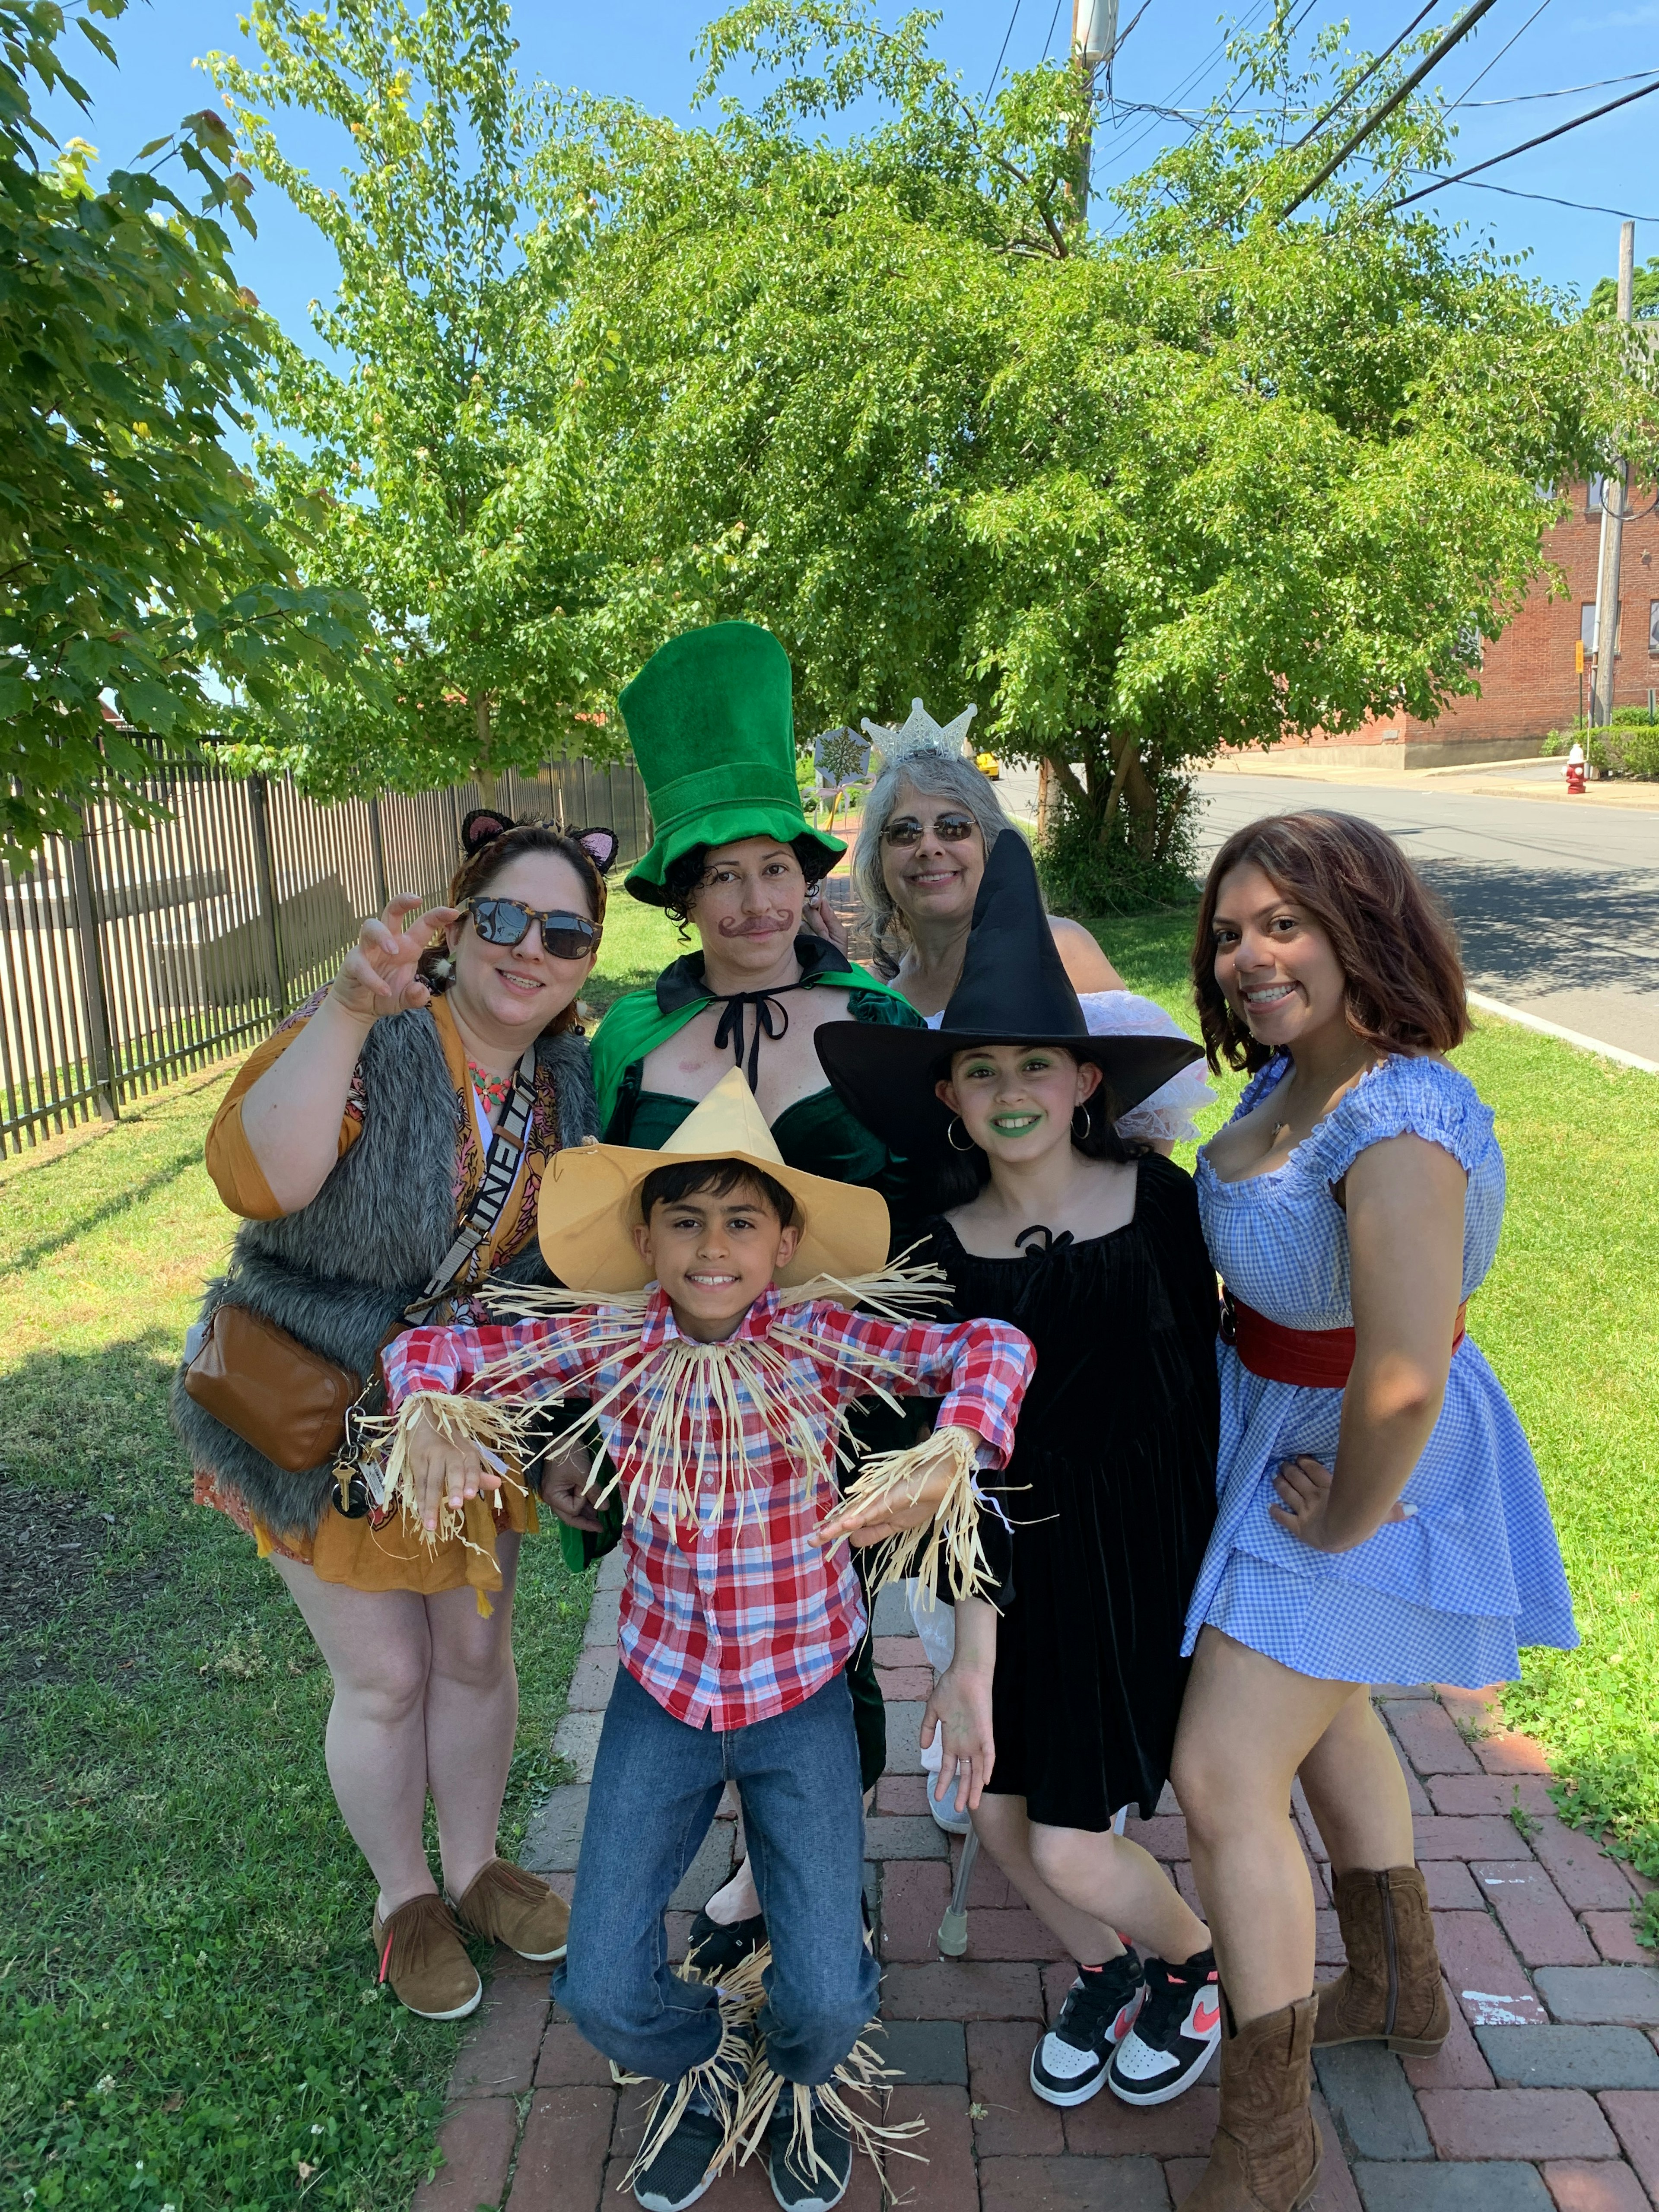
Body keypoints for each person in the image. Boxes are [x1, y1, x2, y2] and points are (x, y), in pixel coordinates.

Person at [376, 1069, 1036, 2212]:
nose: (713, 1245)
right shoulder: (612, 1343)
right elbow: (434, 1349)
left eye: (741, 1220)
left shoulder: (823, 1340)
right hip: (664, 1694)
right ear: (646, 1240)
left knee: (830, 1999)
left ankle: (803, 2082)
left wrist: (957, 1448)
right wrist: (431, 1415)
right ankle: (703, 2057)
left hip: (802, 1696)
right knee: (601, 1991)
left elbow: (993, 1345)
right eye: (685, 1221)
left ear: (785, 1241)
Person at [1168, 812, 1577, 2212]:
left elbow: (1401, 1377)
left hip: (1356, 1466)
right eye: (1231, 932)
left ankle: (1269, 2139)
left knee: (1223, 1775)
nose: (1248, 955)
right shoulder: (1298, 1076)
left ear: (1364, 927)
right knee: (1326, 1710)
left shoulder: (1399, 1117)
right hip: (1275, 1434)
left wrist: (1346, 1521)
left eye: (1284, 924)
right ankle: (1400, 1984)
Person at [172, 811, 613, 2022]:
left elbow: (561, 1278)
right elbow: (263, 1181)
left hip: (468, 1424)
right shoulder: (378, 1033)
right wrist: (351, 1006)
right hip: (321, 1417)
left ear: (586, 959)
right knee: (385, 1680)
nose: (530, 950)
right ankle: (403, 1895)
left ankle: (474, 1868)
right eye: (505, 918)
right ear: (458, 924)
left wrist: (558, 1430)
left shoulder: (568, 1083)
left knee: (473, 1657)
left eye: (565, 933)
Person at [817, 830, 1226, 2115]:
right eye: (980, 1068)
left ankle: (1191, 1964)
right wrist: (962, 1647)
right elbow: (944, 1453)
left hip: (1139, 1555)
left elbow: (1204, 1386)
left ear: (1083, 1077)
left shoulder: (1158, 1203)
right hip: (1005, 1563)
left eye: (1034, 1064)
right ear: (946, 1095)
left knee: (1067, 1833)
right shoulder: (933, 1244)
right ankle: (1106, 1965)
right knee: (993, 1812)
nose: (1009, 1088)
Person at [586, 620, 927, 1960]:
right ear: (683, 895)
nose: (752, 902)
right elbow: (590, 1240)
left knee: (833, 1641)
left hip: (847, 1396)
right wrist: (575, 1434)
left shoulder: (880, 1025)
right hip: (681, 1397)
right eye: (720, 875)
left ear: (804, 874)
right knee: (713, 1628)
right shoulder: (632, 1036)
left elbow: (939, 1213)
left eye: (773, 867)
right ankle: (753, 1857)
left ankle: (812, 1871)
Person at [850, 698, 1125, 1011]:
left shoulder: (1061, 950)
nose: (928, 847)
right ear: (878, 860)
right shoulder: (877, 994)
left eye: (953, 827)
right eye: (904, 831)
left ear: (991, 845)